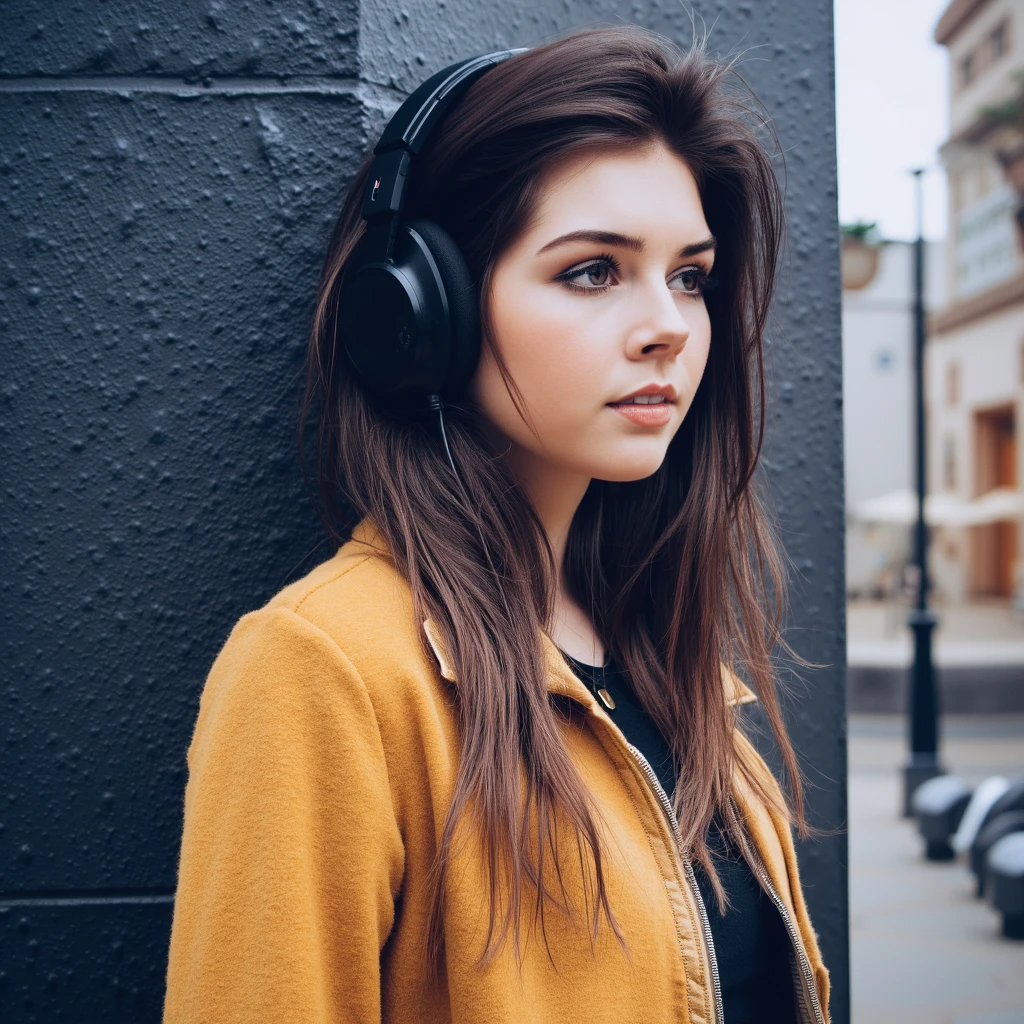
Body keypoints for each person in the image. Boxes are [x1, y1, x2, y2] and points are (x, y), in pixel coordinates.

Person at [163, 26, 830, 1024]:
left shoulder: (661, 657)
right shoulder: (325, 671)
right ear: (424, 312)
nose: (670, 327)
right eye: (593, 271)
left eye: (689, 274)